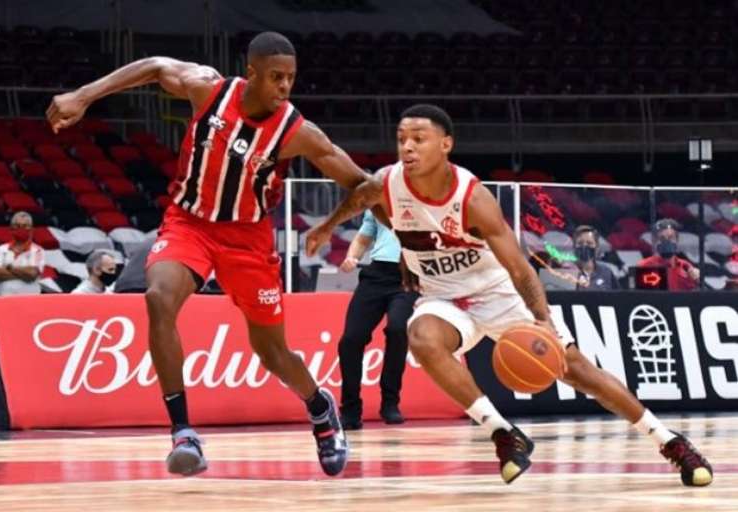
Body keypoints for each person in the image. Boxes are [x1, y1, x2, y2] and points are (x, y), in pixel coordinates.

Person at [306, 104, 713, 487]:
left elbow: (519, 268)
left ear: (446, 144)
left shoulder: (472, 197)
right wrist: (327, 226)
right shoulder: (389, 182)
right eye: (401, 139)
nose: (407, 147)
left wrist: (545, 321)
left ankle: (668, 440)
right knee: (423, 338)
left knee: (577, 371)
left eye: (418, 138)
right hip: (444, 299)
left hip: (496, 291)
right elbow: (362, 195)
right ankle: (503, 433)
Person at [47, 32, 369, 477]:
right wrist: (84, 95)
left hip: (248, 239)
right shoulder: (209, 89)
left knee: (272, 352)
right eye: (276, 77)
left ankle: (320, 409)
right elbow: (156, 65)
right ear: (251, 73)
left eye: (291, 78)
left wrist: (342, 224)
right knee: (159, 298)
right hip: (189, 224)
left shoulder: (296, 132)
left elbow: (361, 182)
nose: (284, 87)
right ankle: (183, 433)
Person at [337, 209, 418, 430]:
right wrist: (353, 256)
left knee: (397, 328)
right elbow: (364, 236)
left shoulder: (424, 200)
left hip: (409, 275)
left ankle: (390, 402)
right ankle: (350, 409)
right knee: (351, 340)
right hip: (377, 274)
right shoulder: (380, 199)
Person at [0, 211, 45, 296]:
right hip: (2, 302)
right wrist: (23, 274)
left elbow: (32, 274)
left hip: (28, 303)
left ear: (31, 229)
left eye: (25, 226)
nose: (21, 228)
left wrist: (9, 268)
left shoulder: (38, 251)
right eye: (17, 225)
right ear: (11, 228)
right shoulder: (2, 249)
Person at [637, 218, 700, 290]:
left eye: (671, 237)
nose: (667, 241)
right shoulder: (645, 265)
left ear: (677, 240)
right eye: (662, 238)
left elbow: (694, 295)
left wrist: (697, 281)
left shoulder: (685, 266)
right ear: (654, 241)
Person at [571, 225, 619, 290]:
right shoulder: (567, 272)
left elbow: (618, 297)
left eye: (589, 243)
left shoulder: (606, 272)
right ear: (574, 247)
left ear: (597, 248)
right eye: (580, 243)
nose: (584, 246)